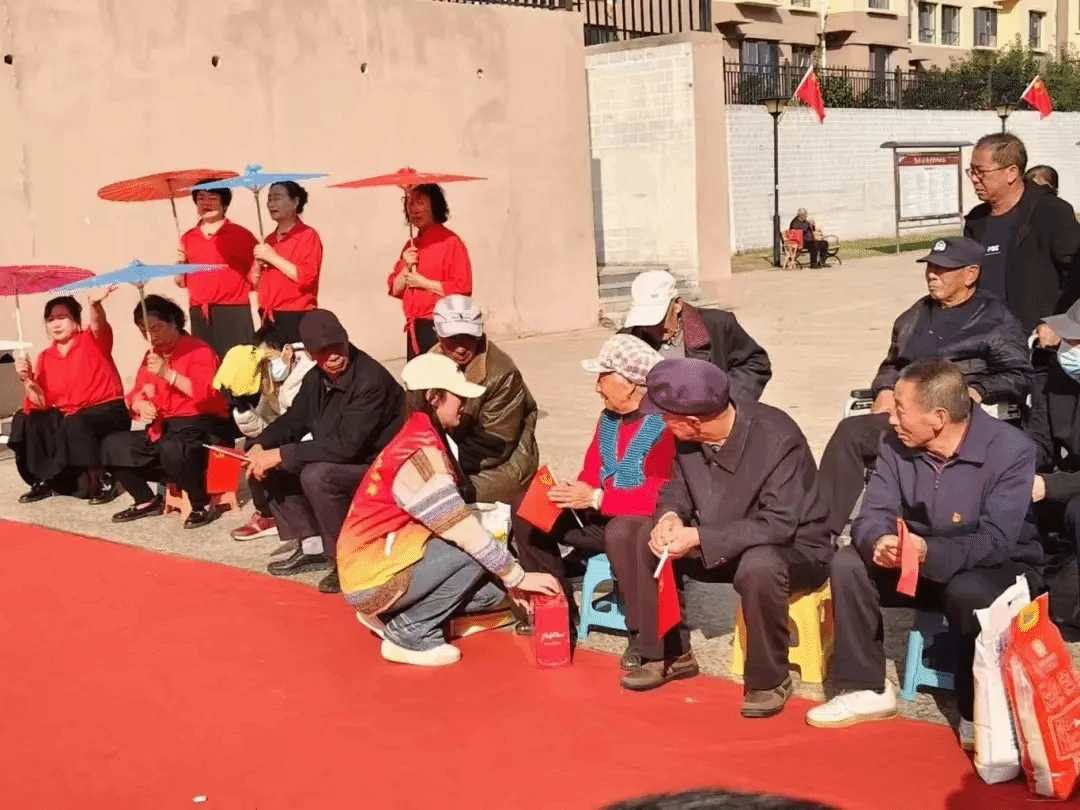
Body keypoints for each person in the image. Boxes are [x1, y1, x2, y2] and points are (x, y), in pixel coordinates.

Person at [807, 360, 1043, 750]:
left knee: (968, 591)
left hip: (995, 565)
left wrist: (928, 551)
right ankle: (865, 687)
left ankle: (977, 709)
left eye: (900, 409)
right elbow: (874, 512)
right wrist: (880, 540)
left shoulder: (1010, 449)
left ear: (938, 418)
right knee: (848, 562)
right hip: (917, 560)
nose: (890, 418)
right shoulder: (894, 444)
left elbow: (997, 540)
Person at [613, 359, 833, 714]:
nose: (662, 423)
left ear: (693, 421)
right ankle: (669, 654)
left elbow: (778, 524)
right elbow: (675, 488)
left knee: (760, 564)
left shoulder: (777, 437)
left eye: (666, 417)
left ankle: (769, 679)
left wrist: (699, 536)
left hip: (793, 548)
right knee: (640, 534)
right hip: (719, 538)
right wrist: (669, 517)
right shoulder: (688, 435)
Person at [336, 352, 560, 667]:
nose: (465, 405)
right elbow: (463, 532)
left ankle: (394, 613)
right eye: (458, 397)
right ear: (434, 398)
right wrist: (517, 576)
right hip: (372, 575)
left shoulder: (414, 435)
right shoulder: (420, 456)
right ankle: (410, 632)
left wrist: (507, 579)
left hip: (378, 561)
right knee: (478, 553)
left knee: (491, 594)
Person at [816, 237, 1032, 537]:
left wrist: (978, 390)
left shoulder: (996, 320)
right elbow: (893, 364)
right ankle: (818, 536)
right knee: (852, 432)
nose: (932, 274)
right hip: (910, 416)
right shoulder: (914, 316)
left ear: (971, 274)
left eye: (943, 269)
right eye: (930, 267)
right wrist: (885, 388)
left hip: (956, 422)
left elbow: (1019, 374)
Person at [511, 333, 675, 636]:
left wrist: (597, 498)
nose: (597, 386)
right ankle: (555, 608)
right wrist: (571, 492)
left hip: (637, 524)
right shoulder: (609, 419)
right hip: (597, 514)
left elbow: (660, 496)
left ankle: (642, 635)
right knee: (526, 508)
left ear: (629, 384)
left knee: (621, 530)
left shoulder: (663, 428)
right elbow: (592, 469)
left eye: (603, 377)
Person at [246, 309, 404, 594]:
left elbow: (346, 446)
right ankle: (313, 546)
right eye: (322, 351)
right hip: (346, 457)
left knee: (317, 475)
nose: (333, 356)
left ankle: (346, 560)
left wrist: (281, 454)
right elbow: (294, 420)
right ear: (310, 354)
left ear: (346, 340)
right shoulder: (316, 379)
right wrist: (262, 445)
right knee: (268, 462)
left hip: (380, 465)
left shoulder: (371, 380)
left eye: (337, 346)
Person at [100, 295, 233, 529]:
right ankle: (145, 499)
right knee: (112, 444)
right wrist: (139, 405)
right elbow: (135, 394)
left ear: (174, 322)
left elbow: (207, 394)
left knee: (175, 447)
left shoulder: (199, 350)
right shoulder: (151, 357)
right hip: (164, 430)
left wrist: (169, 375)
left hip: (201, 427)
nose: (151, 336)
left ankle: (201, 504)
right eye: (144, 331)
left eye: (156, 328)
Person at [9, 289, 129, 503]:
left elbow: (99, 324)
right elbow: (42, 403)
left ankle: (104, 478)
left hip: (107, 410)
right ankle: (44, 480)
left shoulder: (92, 340)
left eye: (62, 317)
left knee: (74, 422)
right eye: (50, 319)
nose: (55, 324)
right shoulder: (46, 357)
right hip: (69, 416)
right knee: (26, 419)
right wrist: (27, 381)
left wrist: (94, 304)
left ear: (76, 321)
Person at [963, 133, 1080, 335]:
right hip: (987, 340)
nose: (974, 179)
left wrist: (1063, 324)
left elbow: (1076, 277)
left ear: (1011, 172)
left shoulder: (1051, 212)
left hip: (1039, 342)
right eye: (972, 171)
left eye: (981, 172)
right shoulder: (976, 220)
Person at [428, 294, 538, 504]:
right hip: (452, 455)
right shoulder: (429, 363)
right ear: (438, 335)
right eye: (452, 338)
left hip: (500, 464)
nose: (461, 348)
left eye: (468, 337)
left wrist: (441, 465)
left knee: (444, 499)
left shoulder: (502, 374)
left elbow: (494, 445)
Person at [213, 323, 316, 542]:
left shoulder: (309, 373)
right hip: (285, 434)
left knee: (276, 457)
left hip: (310, 438)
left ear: (287, 351)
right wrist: (242, 408)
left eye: (269, 358)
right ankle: (267, 514)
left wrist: (274, 448)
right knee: (253, 447)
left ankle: (303, 527)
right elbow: (265, 425)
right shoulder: (268, 380)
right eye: (263, 362)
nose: (267, 365)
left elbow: (303, 422)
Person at [621, 269, 771, 401]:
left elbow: (755, 363)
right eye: (645, 322)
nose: (651, 328)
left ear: (677, 305)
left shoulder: (717, 324)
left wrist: (724, 399)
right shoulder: (628, 340)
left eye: (658, 320)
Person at [1027, 299, 1080, 639]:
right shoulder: (1055, 379)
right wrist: (1011, 471)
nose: (1067, 348)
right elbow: (1038, 441)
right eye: (1067, 339)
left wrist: (1051, 486)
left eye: (1076, 341)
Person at [387, 184, 473, 359]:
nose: (414, 210)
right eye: (410, 203)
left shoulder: (450, 242)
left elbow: (463, 288)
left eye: (420, 203)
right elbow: (395, 289)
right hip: (415, 328)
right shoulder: (411, 245)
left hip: (442, 327)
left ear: (434, 205)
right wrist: (406, 267)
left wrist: (423, 283)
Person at [174, 181, 258, 357]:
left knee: (239, 365)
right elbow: (180, 282)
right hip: (199, 313)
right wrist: (180, 263)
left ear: (224, 204)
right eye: (201, 198)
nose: (206, 203)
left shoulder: (241, 235)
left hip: (233, 311)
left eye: (212, 198)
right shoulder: (188, 238)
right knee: (207, 364)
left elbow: (256, 277)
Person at [251, 181, 323, 343]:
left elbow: (306, 277)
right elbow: (254, 283)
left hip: (296, 314)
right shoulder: (269, 240)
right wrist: (258, 264)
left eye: (277, 198)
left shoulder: (307, 235)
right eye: (269, 199)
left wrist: (273, 258)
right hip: (268, 315)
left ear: (295, 202)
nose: (271, 204)